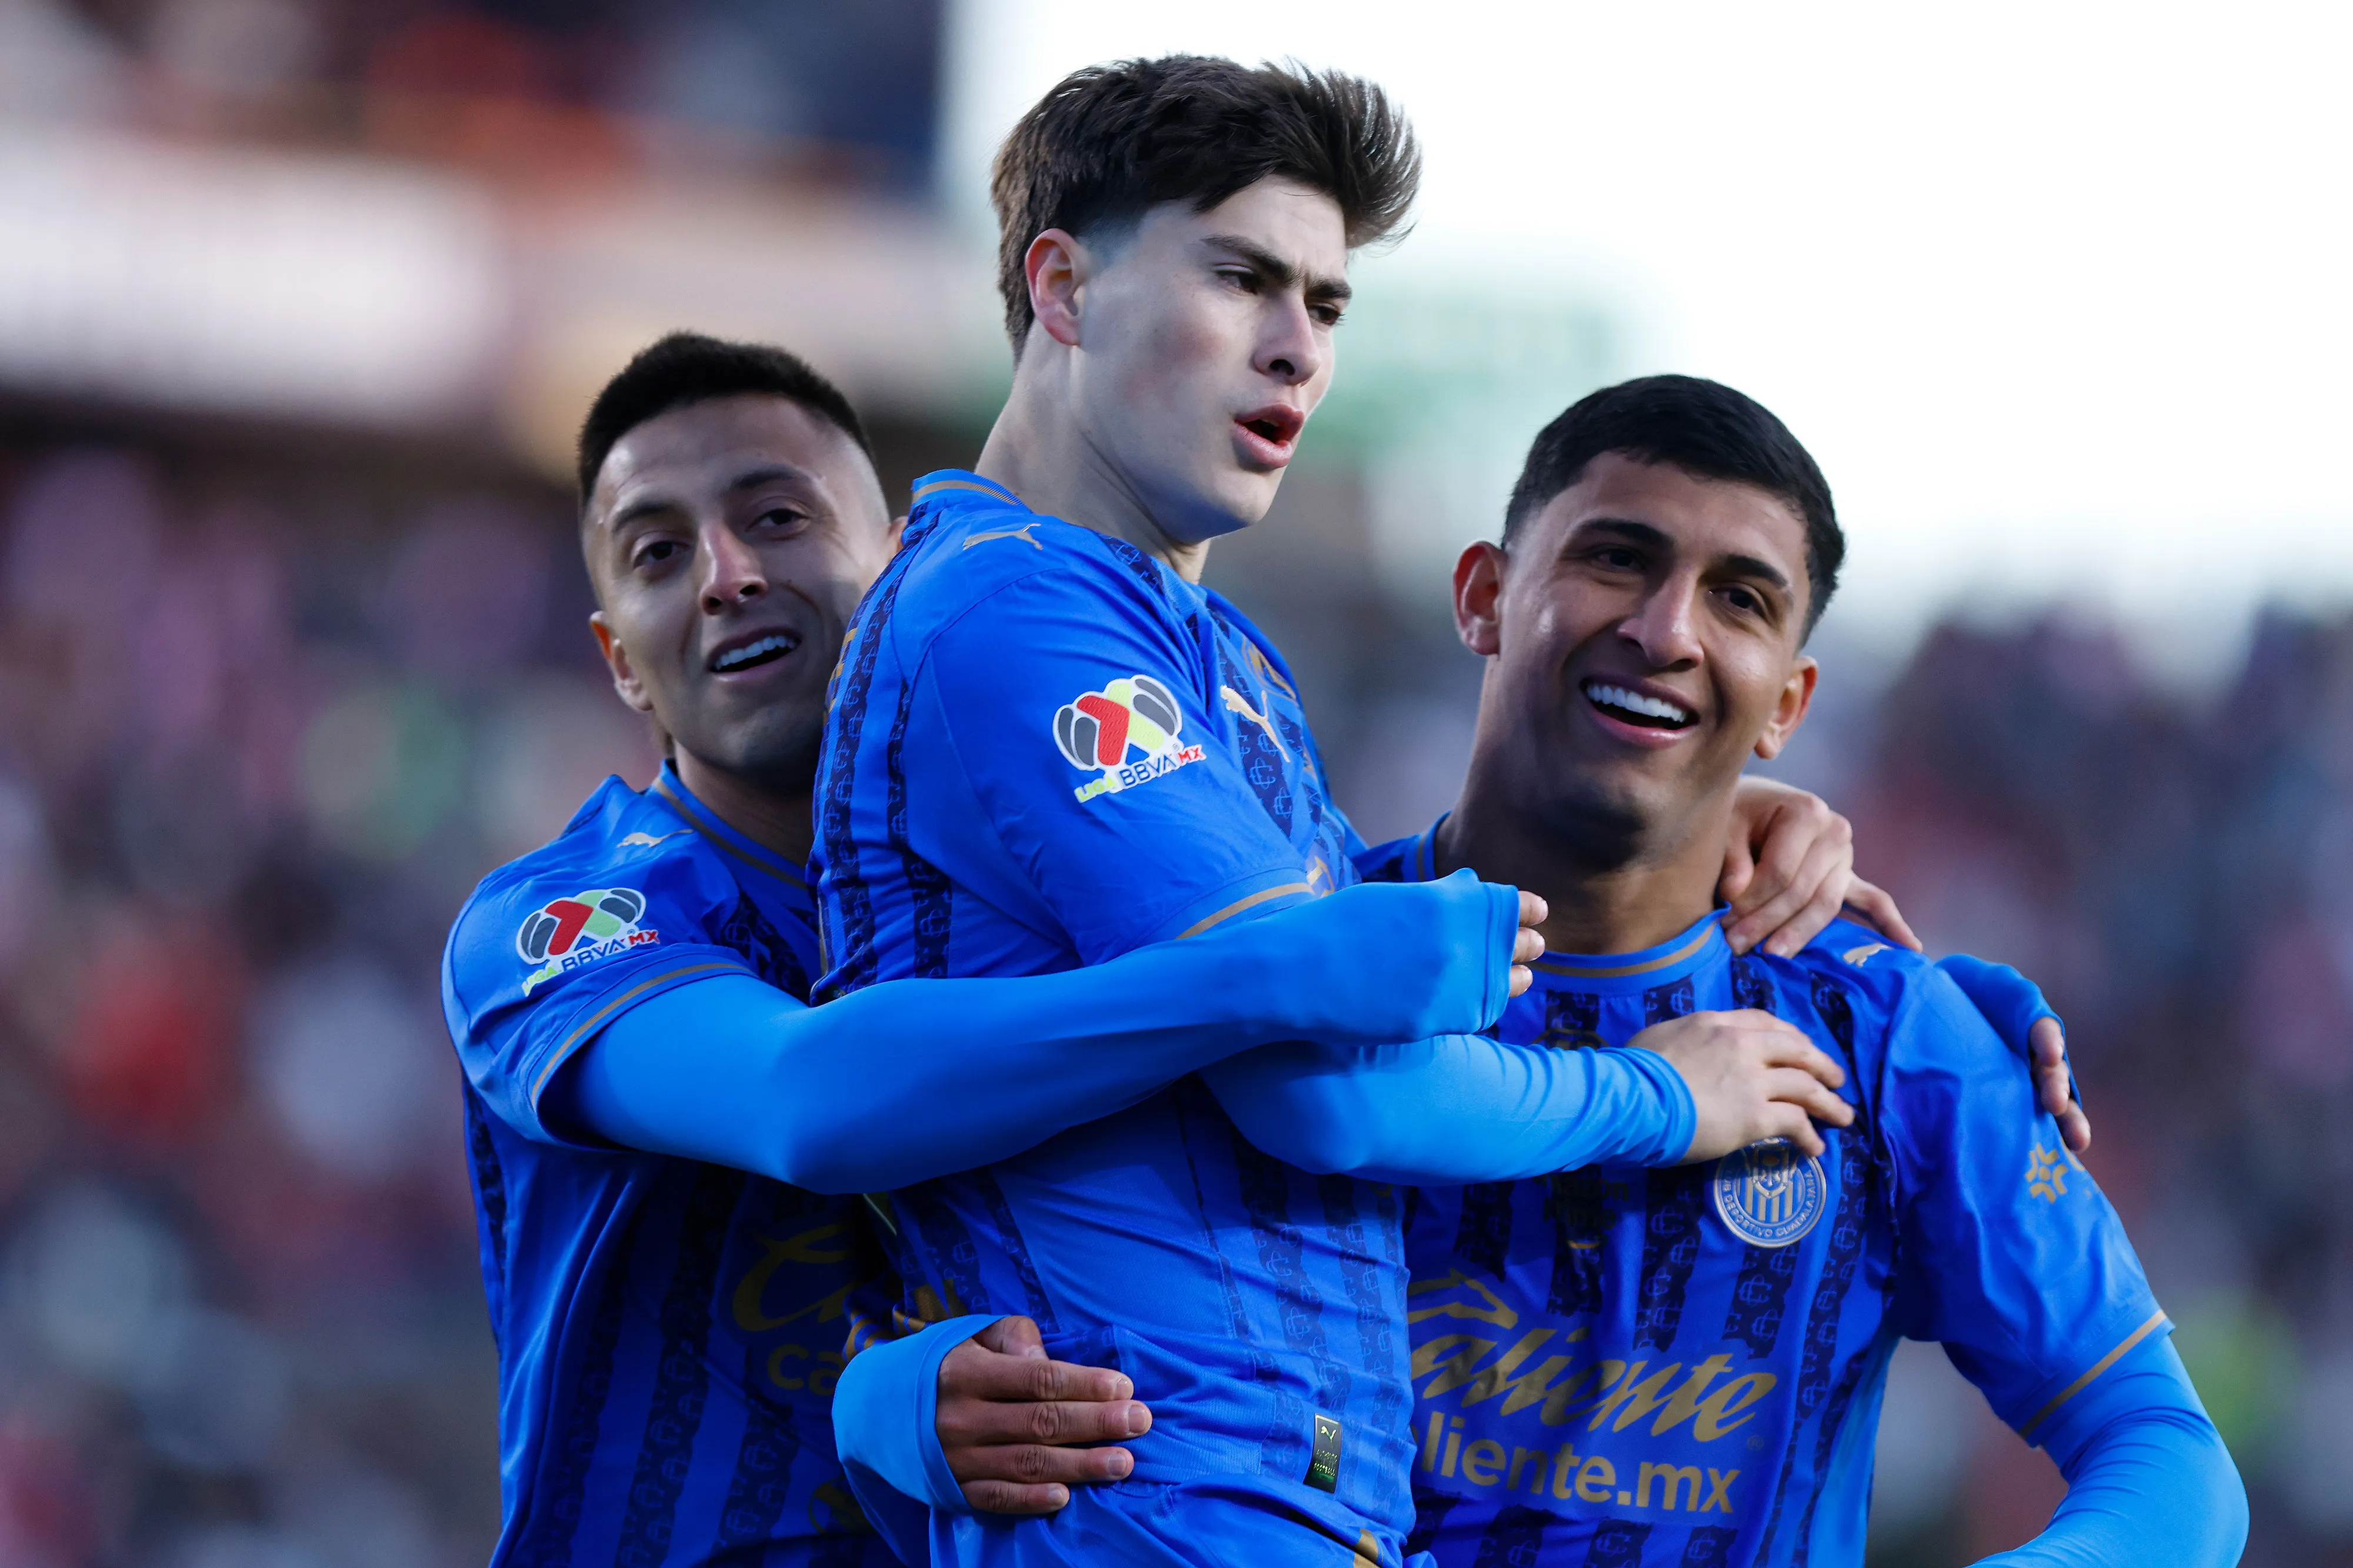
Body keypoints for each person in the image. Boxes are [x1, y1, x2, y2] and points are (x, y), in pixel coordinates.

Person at [808, 58, 2081, 1568]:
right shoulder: (1019, 619)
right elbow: (1325, 1081)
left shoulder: (1215, 662)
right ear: (1063, 289)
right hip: (1150, 1502)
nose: (1296, 351)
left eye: (1327, 307)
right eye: (1241, 279)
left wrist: (1717, 803)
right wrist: (1666, 1095)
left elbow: (1349, 980)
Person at [439, 332, 1887, 1567]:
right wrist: (870, 1403)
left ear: (890, 576)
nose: (725, 575)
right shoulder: (565, 923)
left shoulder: (1057, 876)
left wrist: (1691, 820)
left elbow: (1362, 952)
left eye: (777, 518)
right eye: (657, 553)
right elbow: (808, 1104)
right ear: (617, 653)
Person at [842, 376, 2243, 1566]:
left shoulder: (1889, 1034)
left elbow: (2165, 1453)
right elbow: (935, 1268)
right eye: (1618, 558)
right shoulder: (1284, 972)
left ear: (1788, 702)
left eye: (1738, 598)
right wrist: (893, 1400)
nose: (1666, 628)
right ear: (1482, 594)